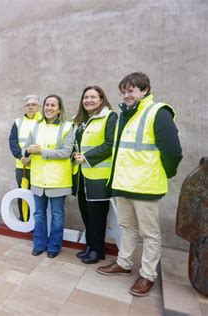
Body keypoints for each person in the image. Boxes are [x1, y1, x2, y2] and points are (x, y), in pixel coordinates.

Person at [97, 72, 183, 297]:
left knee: (150, 234)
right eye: (123, 91)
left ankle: (147, 276)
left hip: (145, 187)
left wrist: (164, 173)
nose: (126, 95)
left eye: (131, 90)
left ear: (144, 90)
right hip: (124, 184)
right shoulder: (126, 115)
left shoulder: (158, 112)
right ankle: (124, 263)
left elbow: (173, 152)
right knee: (128, 228)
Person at [23, 94, 74, 258]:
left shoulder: (67, 127)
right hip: (38, 179)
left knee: (57, 215)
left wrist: (42, 151)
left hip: (58, 180)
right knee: (38, 214)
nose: (49, 108)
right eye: (47, 105)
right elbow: (27, 147)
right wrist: (27, 153)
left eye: (53, 105)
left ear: (59, 109)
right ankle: (39, 244)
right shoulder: (36, 126)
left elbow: (67, 152)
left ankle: (54, 247)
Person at [72, 86, 117, 264]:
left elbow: (110, 143)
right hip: (82, 176)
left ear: (101, 99)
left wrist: (87, 157)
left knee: (97, 216)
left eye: (93, 97)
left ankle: (98, 250)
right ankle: (91, 246)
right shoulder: (83, 121)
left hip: (98, 177)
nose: (88, 100)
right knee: (86, 214)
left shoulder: (110, 116)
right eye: (85, 97)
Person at [8, 95, 42, 221]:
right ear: (25, 107)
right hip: (21, 166)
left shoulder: (44, 121)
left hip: (39, 166)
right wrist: (21, 156)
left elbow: (45, 142)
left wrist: (31, 158)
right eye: (28, 105)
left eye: (33, 104)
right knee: (23, 195)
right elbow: (13, 142)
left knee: (39, 196)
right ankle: (24, 221)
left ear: (39, 106)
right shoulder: (18, 122)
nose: (31, 107)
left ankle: (37, 223)